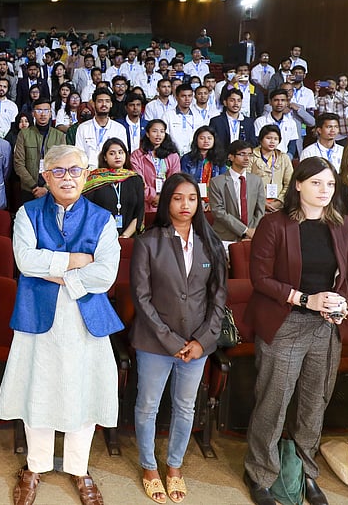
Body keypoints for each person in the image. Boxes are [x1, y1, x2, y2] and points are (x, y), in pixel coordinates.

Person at [0, 145, 123, 505]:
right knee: (37, 391)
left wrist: (55, 272)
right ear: (45, 176)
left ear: (86, 176)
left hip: (86, 319)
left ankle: (79, 468)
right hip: (38, 316)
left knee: (83, 392)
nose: (67, 177)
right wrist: (76, 261)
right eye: (58, 171)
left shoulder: (102, 218)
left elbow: (105, 274)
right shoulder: (27, 213)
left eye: (74, 170)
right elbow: (25, 261)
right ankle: (35, 466)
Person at [241, 157, 348, 505]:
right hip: (285, 322)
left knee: (313, 404)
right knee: (273, 403)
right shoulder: (275, 224)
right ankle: (260, 473)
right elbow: (260, 279)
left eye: (330, 184)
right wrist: (306, 299)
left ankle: (306, 471)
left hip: (324, 327)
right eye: (316, 183)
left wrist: (340, 305)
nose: (324, 190)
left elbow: (345, 278)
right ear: (299, 185)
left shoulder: (341, 224)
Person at [131, 173, 227, 504]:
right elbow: (141, 299)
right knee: (148, 406)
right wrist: (171, 342)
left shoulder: (210, 243)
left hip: (197, 345)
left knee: (185, 407)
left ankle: (174, 466)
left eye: (192, 198)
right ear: (166, 202)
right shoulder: (148, 242)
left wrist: (202, 341)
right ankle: (149, 467)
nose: (185, 204)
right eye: (177, 198)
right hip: (154, 342)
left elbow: (218, 298)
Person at [83, 138, 145, 239]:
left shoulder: (135, 179)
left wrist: (124, 236)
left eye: (121, 152)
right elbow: (88, 213)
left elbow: (139, 213)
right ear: (105, 157)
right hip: (100, 237)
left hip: (129, 238)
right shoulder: (95, 180)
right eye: (112, 153)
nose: (117, 156)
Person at [13, 100, 68, 206]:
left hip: (52, 188)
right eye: (39, 111)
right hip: (29, 189)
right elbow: (18, 163)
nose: (43, 114)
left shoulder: (59, 136)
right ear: (33, 113)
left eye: (46, 111)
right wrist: (34, 186)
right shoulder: (24, 134)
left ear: (50, 114)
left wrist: (46, 188)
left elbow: (62, 164)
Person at [209, 141, 266, 241]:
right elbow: (218, 211)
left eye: (250, 154)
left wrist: (251, 231)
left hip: (252, 235)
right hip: (226, 236)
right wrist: (244, 230)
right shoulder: (217, 182)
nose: (247, 158)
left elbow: (260, 210)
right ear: (231, 157)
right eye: (242, 154)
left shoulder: (257, 181)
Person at [131, 119, 181, 220]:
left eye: (162, 131)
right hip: (145, 203)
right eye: (154, 131)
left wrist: (163, 198)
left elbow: (175, 180)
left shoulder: (173, 155)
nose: (158, 135)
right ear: (147, 134)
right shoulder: (137, 155)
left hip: (167, 202)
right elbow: (139, 181)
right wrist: (153, 196)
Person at [249, 125, 293, 213]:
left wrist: (279, 201)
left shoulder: (284, 158)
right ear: (261, 139)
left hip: (279, 206)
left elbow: (290, 183)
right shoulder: (251, 156)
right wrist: (261, 202)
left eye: (276, 139)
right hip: (254, 205)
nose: (272, 141)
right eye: (268, 138)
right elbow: (246, 183)